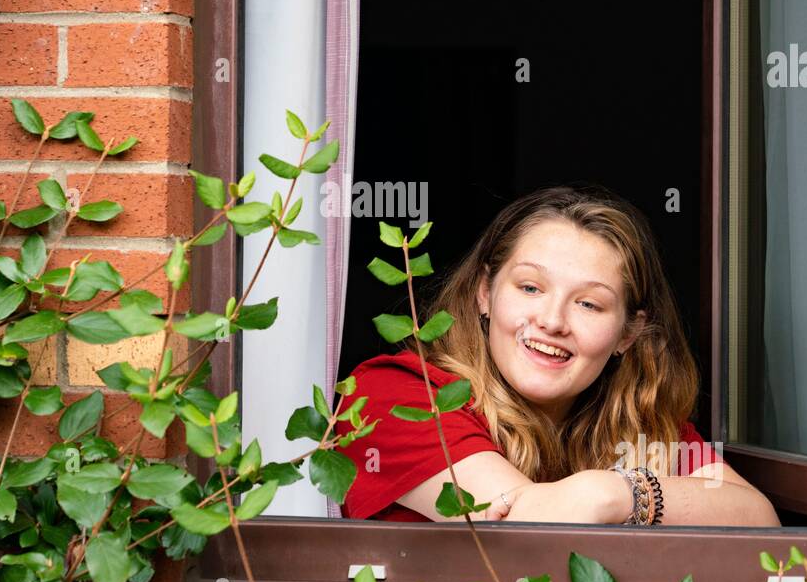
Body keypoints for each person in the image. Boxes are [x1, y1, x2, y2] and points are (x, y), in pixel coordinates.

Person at [333, 185, 781, 527]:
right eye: (530, 287)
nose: (552, 320)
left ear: (628, 333)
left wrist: (616, 493)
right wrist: (619, 497)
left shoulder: (637, 418)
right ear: (484, 294)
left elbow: (758, 519)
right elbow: (523, 529)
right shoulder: (397, 396)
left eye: (589, 303)